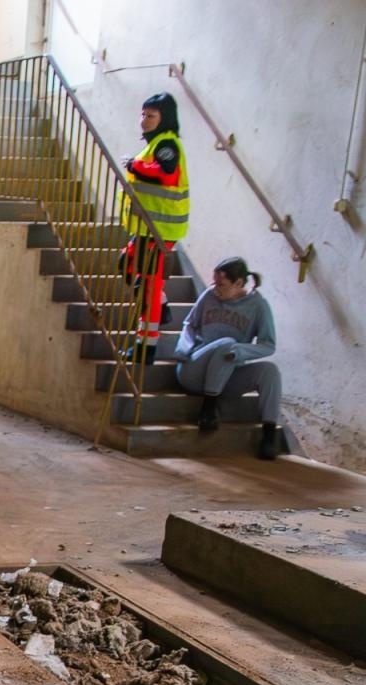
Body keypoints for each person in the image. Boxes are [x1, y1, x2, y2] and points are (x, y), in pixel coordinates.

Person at [174, 257, 282, 460]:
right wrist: (183, 348)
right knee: (226, 342)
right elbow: (190, 324)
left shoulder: (258, 305)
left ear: (239, 283)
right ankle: (208, 410)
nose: (215, 288)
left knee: (270, 372)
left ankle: (269, 436)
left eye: (221, 284)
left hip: (226, 376)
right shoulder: (209, 296)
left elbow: (268, 345)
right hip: (194, 371)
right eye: (214, 282)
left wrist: (241, 351)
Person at [121, 92, 190, 364]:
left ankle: (145, 347)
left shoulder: (167, 144)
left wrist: (134, 165)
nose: (144, 120)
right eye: (143, 114)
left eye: (150, 115)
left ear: (164, 118)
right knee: (128, 266)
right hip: (146, 228)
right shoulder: (155, 143)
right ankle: (161, 306)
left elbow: (165, 173)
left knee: (148, 287)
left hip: (160, 231)